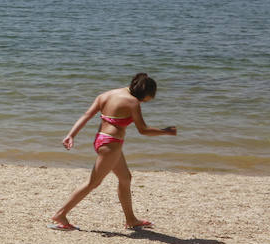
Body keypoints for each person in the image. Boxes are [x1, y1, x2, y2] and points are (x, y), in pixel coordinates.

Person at [49, 73, 177, 231]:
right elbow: (143, 130)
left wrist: (71, 135)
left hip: (101, 140)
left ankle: (131, 219)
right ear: (144, 93)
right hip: (111, 145)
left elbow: (87, 115)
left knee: (125, 178)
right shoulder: (132, 102)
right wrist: (166, 131)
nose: (145, 102)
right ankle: (60, 214)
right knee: (93, 183)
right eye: (147, 99)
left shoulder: (106, 95)